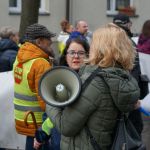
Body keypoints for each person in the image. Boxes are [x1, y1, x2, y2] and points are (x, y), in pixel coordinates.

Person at [44, 23, 140, 150]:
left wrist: (50, 100)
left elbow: (65, 126)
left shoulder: (95, 82)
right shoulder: (124, 78)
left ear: (101, 48)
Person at [33, 38, 89, 150]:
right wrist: (43, 132)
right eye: (72, 52)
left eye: (81, 53)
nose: (76, 56)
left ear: (88, 56)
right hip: (58, 141)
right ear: (66, 56)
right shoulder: (57, 77)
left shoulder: (93, 81)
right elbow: (50, 112)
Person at [13, 23, 56, 150]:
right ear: (39, 41)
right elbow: (46, 100)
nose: (51, 42)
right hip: (39, 124)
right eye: (48, 39)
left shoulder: (20, 57)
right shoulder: (40, 64)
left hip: (25, 119)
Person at [113, 13, 145, 135]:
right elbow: (134, 73)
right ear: (127, 25)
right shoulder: (128, 43)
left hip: (113, 96)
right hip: (128, 97)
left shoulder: (108, 41)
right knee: (134, 130)